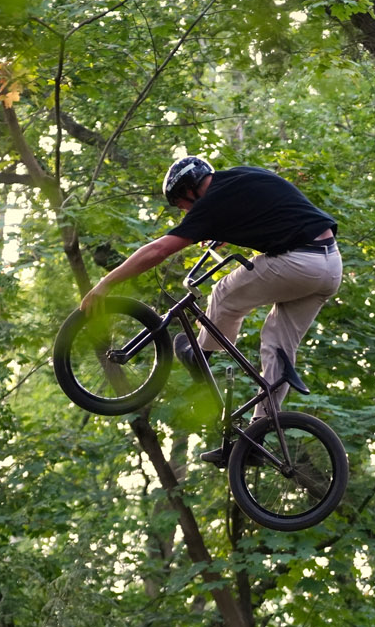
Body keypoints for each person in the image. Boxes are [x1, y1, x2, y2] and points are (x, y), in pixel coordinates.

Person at [79, 155, 341, 461]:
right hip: (329, 265)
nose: (186, 211)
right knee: (277, 347)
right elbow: (269, 207)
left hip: (301, 261)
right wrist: (223, 232)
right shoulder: (238, 178)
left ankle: (199, 357)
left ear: (189, 189)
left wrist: (106, 284)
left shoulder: (211, 201)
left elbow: (159, 249)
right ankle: (259, 434)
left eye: (182, 204)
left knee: (224, 292)